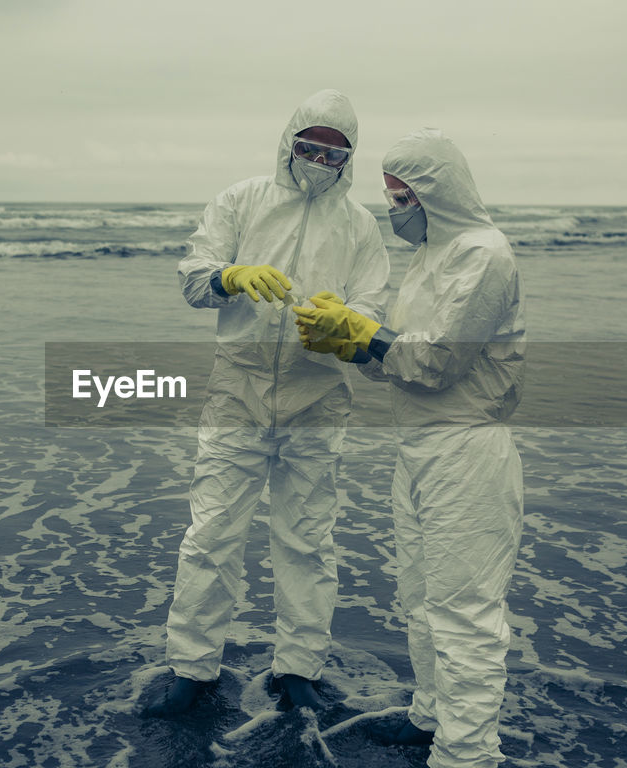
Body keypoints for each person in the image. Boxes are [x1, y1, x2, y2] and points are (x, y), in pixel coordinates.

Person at [148, 89, 390, 716]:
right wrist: (229, 276)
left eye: (333, 154)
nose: (318, 161)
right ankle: (192, 668)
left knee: (308, 539)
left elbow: (371, 307)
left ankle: (299, 668)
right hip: (240, 384)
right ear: (289, 142)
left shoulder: (360, 226)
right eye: (309, 147)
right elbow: (193, 276)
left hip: (319, 395)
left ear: (349, 160)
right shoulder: (242, 200)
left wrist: (347, 319)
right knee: (212, 533)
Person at [294, 128, 525, 767]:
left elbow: (440, 362)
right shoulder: (428, 257)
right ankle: (431, 716)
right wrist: (352, 343)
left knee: (465, 612)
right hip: (418, 448)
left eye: (404, 198)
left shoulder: (484, 255)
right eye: (390, 197)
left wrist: (365, 334)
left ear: (437, 193)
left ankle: (468, 754)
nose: (395, 210)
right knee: (421, 597)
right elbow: (399, 359)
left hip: (467, 451)